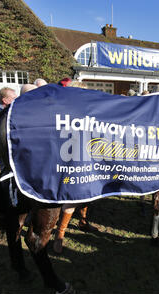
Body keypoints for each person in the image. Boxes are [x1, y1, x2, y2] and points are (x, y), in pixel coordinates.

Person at [53, 80, 98, 254]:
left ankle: (83, 221)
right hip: (69, 160)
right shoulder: (63, 111)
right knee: (71, 198)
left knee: (89, 194)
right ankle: (60, 234)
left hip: (88, 157)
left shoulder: (88, 110)